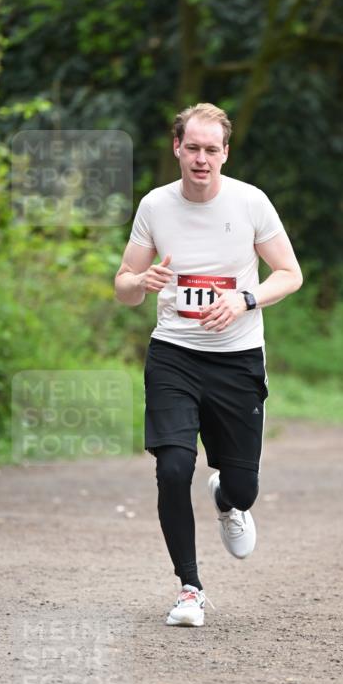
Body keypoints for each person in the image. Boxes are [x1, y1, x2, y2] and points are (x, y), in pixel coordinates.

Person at [114, 103, 302, 626]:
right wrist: (141, 281)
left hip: (237, 359)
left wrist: (246, 300)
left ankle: (228, 499)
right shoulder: (156, 206)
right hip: (174, 353)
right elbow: (125, 287)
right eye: (192, 148)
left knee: (243, 486)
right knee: (173, 468)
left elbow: (289, 273)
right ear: (177, 148)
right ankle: (190, 588)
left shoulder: (250, 203)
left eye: (211, 150)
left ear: (225, 153)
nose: (201, 159)